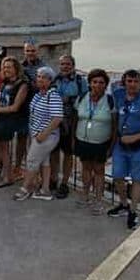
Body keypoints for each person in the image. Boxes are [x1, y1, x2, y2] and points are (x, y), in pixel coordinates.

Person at [107, 69, 140, 230]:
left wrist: (135, 137)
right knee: (117, 176)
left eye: (136, 81)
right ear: (124, 82)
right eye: (129, 81)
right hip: (120, 145)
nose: (132, 84)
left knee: (137, 180)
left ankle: (133, 211)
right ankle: (123, 204)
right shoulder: (118, 94)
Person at [15, 67, 63, 202]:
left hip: (46, 136)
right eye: (39, 76)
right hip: (37, 133)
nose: (40, 79)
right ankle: (45, 190)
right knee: (44, 162)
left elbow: (57, 118)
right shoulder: (39, 94)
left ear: (50, 80)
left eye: (44, 77)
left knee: (31, 161)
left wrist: (44, 134)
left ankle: (25, 188)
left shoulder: (53, 95)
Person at [75, 69, 116, 215]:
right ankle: (85, 195)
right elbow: (75, 119)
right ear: (89, 83)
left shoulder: (110, 100)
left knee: (99, 171)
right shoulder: (82, 97)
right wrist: (73, 139)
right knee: (85, 168)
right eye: (94, 82)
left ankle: (98, 200)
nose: (97, 85)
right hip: (82, 140)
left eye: (101, 82)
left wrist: (112, 146)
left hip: (101, 143)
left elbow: (115, 125)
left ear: (105, 85)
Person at [51, 55, 88, 199]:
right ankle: (53, 179)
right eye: (62, 64)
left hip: (71, 122)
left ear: (73, 65)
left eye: (67, 64)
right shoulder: (55, 80)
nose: (65, 67)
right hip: (54, 121)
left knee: (68, 153)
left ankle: (64, 183)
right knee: (53, 152)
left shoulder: (80, 81)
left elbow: (85, 101)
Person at [0, 57, 28, 189]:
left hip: (10, 119)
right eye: (4, 67)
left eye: (9, 67)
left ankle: (8, 176)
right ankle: (4, 172)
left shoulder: (22, 85)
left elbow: (15, 107)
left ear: (16, 68)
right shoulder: (5, 83)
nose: (6, 69)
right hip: (0, 118)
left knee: (4, 150)